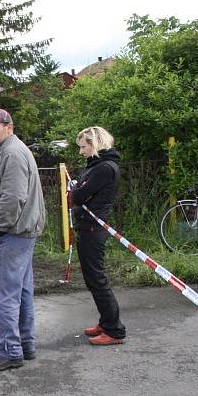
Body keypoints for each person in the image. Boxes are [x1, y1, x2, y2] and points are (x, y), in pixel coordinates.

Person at [0, 108, 46, 371]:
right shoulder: (9, 151)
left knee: (1, 294)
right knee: (21, 292)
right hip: (20, 233)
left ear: (9, 127)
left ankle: (10, 351)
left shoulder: (12, 154)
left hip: (11, 234)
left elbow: (12, 197)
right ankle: (25, 346)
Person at [70, 126, 127, 345]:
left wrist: (75, 191)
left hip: (93, 229)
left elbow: (79, 195)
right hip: (88, 227)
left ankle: (115, 330)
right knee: (93, 279)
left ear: (96, 145)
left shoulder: (104, 168)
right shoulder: (96, 166)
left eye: (83, 147)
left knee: (97, 279)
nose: (81, 151)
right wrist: (78, 190)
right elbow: (81, 191)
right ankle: (106, 321)